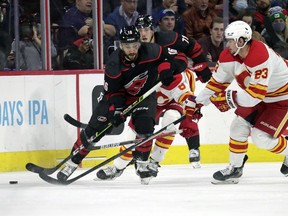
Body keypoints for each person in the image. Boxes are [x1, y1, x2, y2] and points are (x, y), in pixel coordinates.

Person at [57, 25, 191, 183]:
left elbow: (173, 57)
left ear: (139, 43)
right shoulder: (114, 64)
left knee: (145, 125)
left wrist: (169, 69)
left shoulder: (152, 50)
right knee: (94, 130)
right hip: (119, 97)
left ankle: (142, 164)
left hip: (144, 95)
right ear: (121, 46)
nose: (132, 50)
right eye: (127, 46)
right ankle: (72, 162)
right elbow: (113, 93)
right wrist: (116, 112)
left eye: (134, 45)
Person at [96, 15, 212, 184]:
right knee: (133, 132)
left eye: (146, 29)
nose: (143, 34)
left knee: (171, 119)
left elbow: (184, 93)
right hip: (150, 98)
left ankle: (154, 162)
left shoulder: (168, 57)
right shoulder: (138, 54)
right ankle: (118, 167)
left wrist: (192, 105)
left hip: (170, 96)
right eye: (140, 31)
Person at [195, 20, 288, 183]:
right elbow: (216, 83)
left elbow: (253, 97)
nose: (227, 44)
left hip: (282, 99)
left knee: (260, 138)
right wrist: (197, 102)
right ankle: (235, 169)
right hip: (262, 97)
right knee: (238, 126)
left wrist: (229, 99)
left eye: (231, 40)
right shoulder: (229, 56)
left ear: (241, 41)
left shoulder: (260, 55)